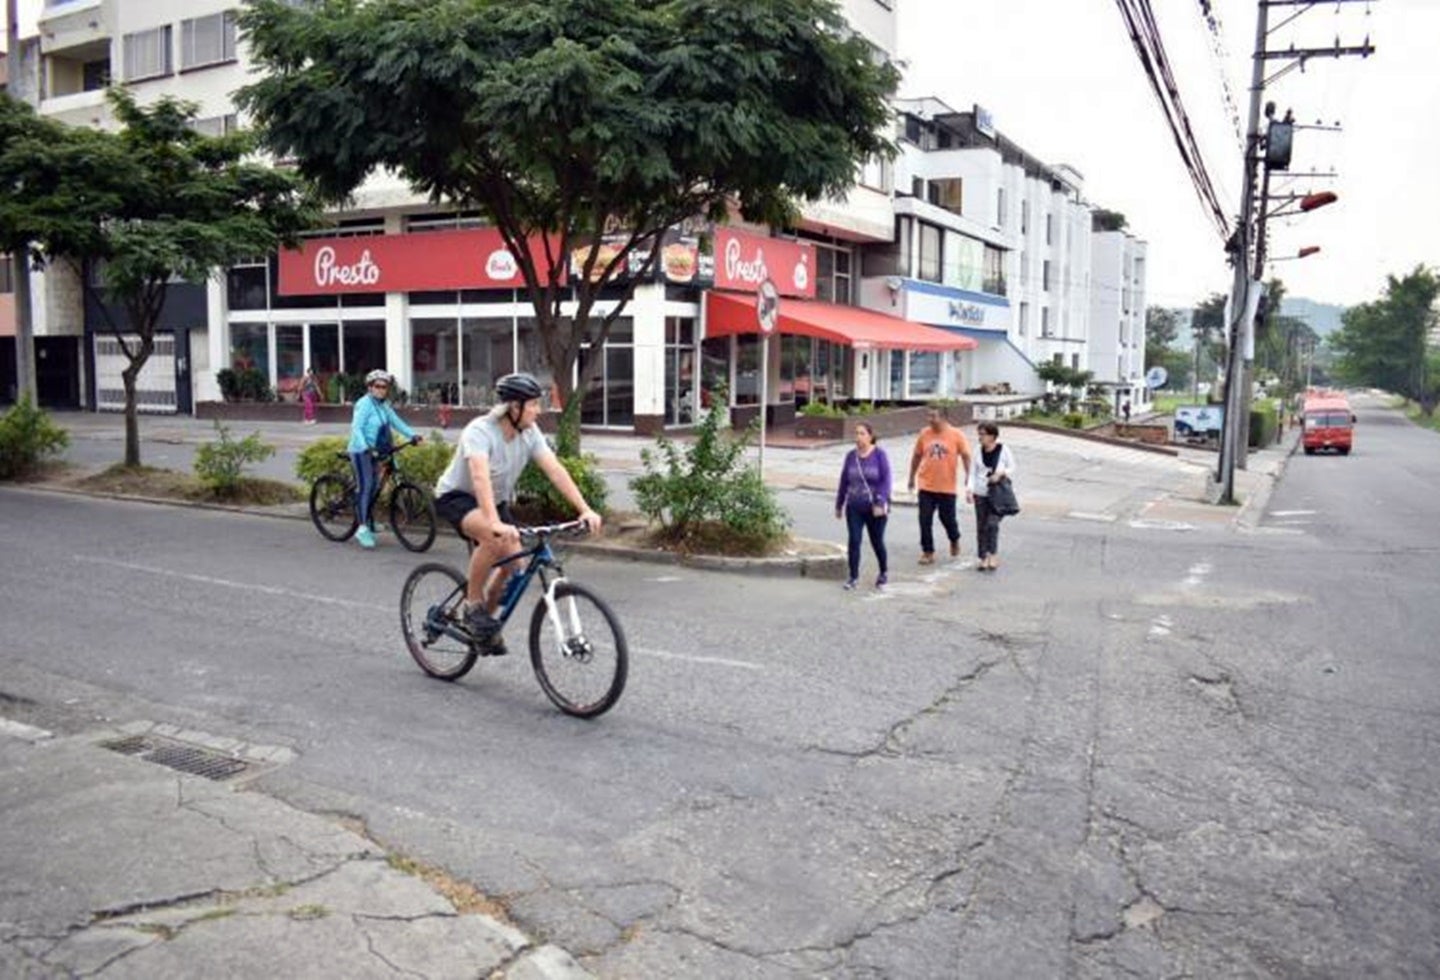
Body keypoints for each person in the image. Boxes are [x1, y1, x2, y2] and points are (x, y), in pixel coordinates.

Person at [433, 372, 603, 651]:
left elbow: (555, 471)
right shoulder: (480, 431)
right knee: (493, 536)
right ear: (514, 407)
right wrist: (493, 523)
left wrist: (585, 509)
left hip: (494, 502)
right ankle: (472, 605)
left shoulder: (529, 433)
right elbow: (480, 477)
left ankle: (484, 625)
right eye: (533, 404)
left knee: (516, 567)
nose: (538, 410)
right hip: (458, 497)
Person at [347, 369, 419, 550]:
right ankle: (362, 528)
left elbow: (396, 422)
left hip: (379, 451)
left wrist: (412, 435)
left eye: (384, 387)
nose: (381, 390)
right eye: (377, 386)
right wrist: (365, 447)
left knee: (376, 487)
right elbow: (356, 428)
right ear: (370, 387)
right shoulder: (364, 404)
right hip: (362, 451)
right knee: (367, 487)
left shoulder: (384, 405)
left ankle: (369, 520)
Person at [906, 406, 971, 565]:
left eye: (933, 416)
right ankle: (928, 551)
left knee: (947, 518)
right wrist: (911, 477)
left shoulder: (956, 435)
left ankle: (954, 538)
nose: (929, 419)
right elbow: (916, 456)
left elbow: (966, 456)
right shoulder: (924, 433)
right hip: (926, 484)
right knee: (924, 519)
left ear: (943, 418)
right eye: (928, 416)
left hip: (947, 486)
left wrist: (969, 477)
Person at [833, 421, 891, 591]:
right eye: (856, 433)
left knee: (877, 541)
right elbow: (844, 480)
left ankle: (883, 572)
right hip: (854, 506)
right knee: (854, 540)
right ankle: (853, 576)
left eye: (862, 433)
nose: (858, 437)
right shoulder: (851, 456)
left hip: (875, 508)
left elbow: (886, 480)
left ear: (870, 436)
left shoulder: (880, 455)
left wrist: (880, 501)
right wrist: (839, 503)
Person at [966, 421, 1017, 571]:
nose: (980, 437)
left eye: (983, 434)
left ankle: (993, 554)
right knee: (981, 526)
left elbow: (1013, 467)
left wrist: (1001, 473)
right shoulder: (977, 450)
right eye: (979, 434)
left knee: (992, 524)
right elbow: (972, 472)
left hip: (997, 494)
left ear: (992, 436)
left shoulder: (1003, 449)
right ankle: (983, 557)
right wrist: (969, 490)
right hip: (980, 493)